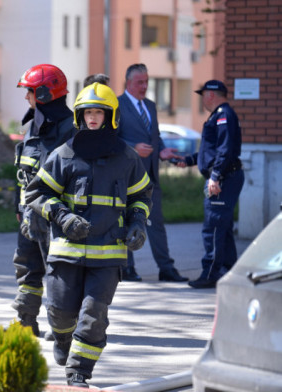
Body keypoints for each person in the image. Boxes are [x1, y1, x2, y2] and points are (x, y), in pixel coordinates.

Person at [25, 83, 153, 388]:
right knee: (60, 312)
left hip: (108, 254)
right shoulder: (64, 154)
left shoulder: (127, 157)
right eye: (88, 113)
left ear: (111, 117)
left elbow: (142, 196)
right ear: (79, 116)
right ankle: (62, 338)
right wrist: (63, 217)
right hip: (66, 251)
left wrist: (137, 223)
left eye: (99, 112)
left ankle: (79, 372)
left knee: (94, 314)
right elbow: (37, 193)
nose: (93, 118)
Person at [12, 64, 76, 338]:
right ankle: (26, 319)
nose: (27, 98)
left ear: (45, 94)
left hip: (55, 215)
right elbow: (24, 172)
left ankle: (61, 325)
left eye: (30, 92)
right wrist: (20, 205)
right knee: (27, 266)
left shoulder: (71, 130)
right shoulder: (33, 127)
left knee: (58, 271)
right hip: (29, 213)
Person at [116, 64, 188, 282]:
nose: (145, 86)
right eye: (140, 82)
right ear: (128, 83)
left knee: (156, 223)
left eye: (146, 81)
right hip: (128, 175)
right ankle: (127, 268)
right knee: (127, 221)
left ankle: (166, 269)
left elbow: (154, 135)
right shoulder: (117, 105)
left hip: (150, 177)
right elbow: (112, 138)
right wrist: (132, 147)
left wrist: (162, 150)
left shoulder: (150, 105)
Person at [176, 80, 244, 289]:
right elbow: (211, 151)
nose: (202, 99)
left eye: (203, 94)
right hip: (224, 176)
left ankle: (211, 273)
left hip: (223, 179)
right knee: (222, 228)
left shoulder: (224, 115)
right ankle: (230, 272)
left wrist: (215, 176)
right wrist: (188, 160)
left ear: (211, 95)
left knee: (213, 228)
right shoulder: (219, 115)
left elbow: (225, 150)